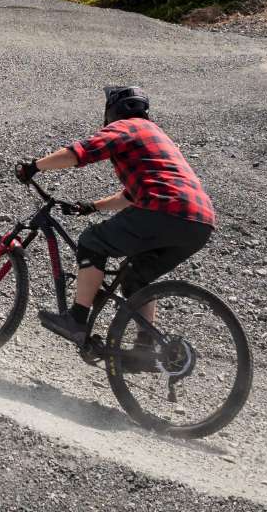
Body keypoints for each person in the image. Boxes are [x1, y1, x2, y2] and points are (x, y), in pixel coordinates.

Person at [15, 86, 215, 365]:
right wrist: (92, 206)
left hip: (164, 209)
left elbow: (80, 153)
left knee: (91, 242)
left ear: (113, 110)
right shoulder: (158, 137)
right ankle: (144, 349)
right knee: (136, 278)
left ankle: (76, 319)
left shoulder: (127, 127)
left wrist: (34, 167)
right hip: (199, 222)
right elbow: (130, 196)